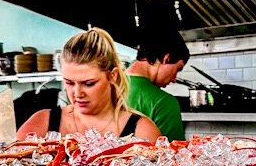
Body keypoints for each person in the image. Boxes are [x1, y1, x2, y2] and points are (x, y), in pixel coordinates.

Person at [16, 28, 161, 140]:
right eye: (69, 83)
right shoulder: (40, 125)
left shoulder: (143, 132)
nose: (77, 93)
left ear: (112, 76)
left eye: (89, 83)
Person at [125, 30, 189, 142]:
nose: (174, 79)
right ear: (166, 58)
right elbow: (178, 156)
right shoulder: (164, 103)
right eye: (177, 69)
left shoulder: (104, 87)